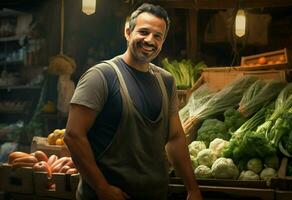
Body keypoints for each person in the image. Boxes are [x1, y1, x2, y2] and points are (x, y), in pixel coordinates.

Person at [64, 3, 203, 200]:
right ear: (128, 32)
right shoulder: (101, 76)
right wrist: (102, 189)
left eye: (158, 36)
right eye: (144, 32)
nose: (150, 40)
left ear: (162, 42)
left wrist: (192, 188)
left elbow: (175, 138)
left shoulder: (166, 81)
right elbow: (73, 136)